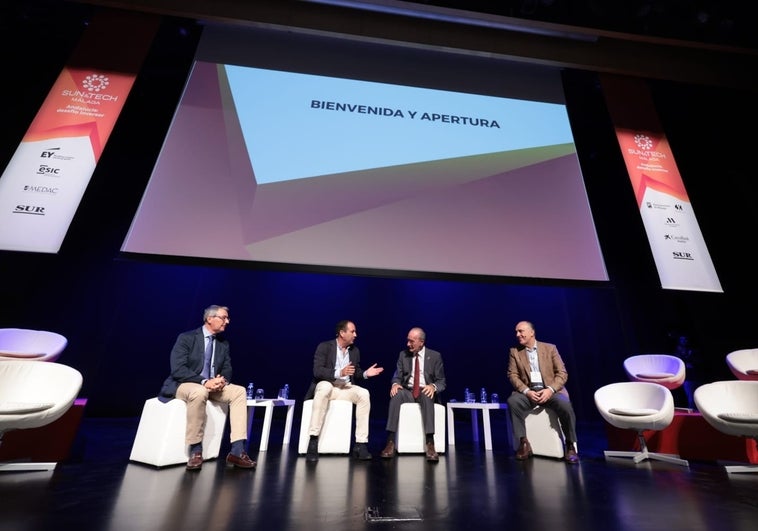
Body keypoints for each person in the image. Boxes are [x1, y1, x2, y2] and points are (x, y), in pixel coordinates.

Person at [159, 304, 256, 471]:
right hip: (185, 384)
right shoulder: (187, 338)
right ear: (210, 319)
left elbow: (227, 368)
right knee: (199, 391)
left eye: (227, 318)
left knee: (239, 391)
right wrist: (204, 382)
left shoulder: (223, 344)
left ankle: (237, 451)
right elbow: (178, 369)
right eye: (224, 317)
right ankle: (196, 450)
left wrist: (221, 381)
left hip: (213, 386)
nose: (228, 321)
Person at [304, 320, 384, 462]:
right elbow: (317, 371)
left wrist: (366, 374)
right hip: (329, 386)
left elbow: (356, 372)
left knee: (364, 394)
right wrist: (338, 372)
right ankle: (313, 440)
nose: (355, 335)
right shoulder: (325, 347)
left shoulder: (354, 351)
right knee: (324, 388)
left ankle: (361, 444)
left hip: (345, 389)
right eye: (352, 331)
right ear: (342, 333)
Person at [506, 320, 579, 464]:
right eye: (516, 332)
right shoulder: (515, 352)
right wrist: (527, 391)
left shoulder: (550, 348)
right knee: (512, 402)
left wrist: (550, 390)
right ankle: (523, 443)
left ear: (532, 332)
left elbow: (562, 373)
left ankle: (570, 444)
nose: (517, 334)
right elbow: (512, 375)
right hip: (529, 392)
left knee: (565, 405)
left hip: (550, 391)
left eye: (521, 331)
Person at [380, 327, 446, 462]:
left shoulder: (434, 356)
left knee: (428, 394)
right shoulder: (403, 355)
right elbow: (397, 376)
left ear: (421, 342)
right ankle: (390, 442)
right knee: (396, 394)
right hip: (408, 391)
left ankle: (430, 443)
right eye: (407, 341)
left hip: (424, 390)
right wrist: (395, 384)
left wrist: (433, 387)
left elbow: (442, 382)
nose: (408, 344)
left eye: (411, 341)